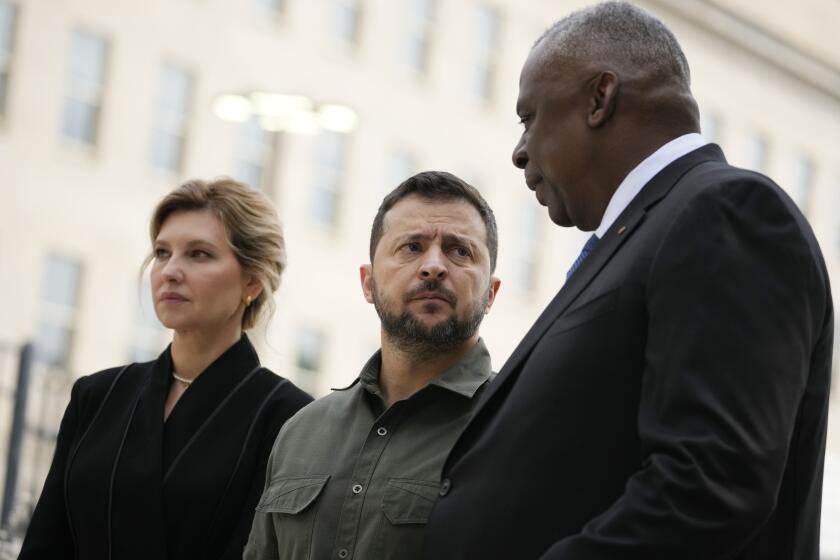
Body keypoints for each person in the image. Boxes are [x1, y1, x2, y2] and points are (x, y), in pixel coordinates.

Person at [423, 3, 833, 559]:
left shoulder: (727, 211)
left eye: (529, 118)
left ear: (599, 99)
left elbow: (710, 483)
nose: (519, 151)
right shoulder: (646, 232)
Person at [20, 178, 313, 559]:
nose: (170, 271)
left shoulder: (288, 418)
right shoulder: (97, 395)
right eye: (162, 253)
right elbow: (46, 543)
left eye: (199, 254)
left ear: (253, 280)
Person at [244, 171, 501, 560]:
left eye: (459, 251)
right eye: (411, 247)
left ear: (491, 293)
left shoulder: (515, 425)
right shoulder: (300, 433)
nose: (433, 266)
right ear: (368, 283)